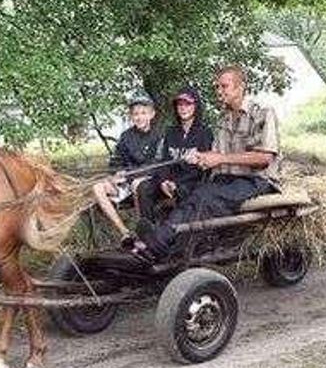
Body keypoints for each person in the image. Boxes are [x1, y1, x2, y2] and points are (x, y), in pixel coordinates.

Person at [137, 65, 281, 259]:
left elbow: (265, 158)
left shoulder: (263, 112)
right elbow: (217, 155)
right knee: (193, 193)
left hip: (258, 180)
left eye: (224, 86)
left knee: (207, 197)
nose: (219, 92)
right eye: (217, 87)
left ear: (241, 87)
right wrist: (202, 158)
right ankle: (167, 243)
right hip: (228, 178)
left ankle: (160, 241)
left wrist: (219, 159)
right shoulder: (223, 118)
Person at [92, 89, 163, 247]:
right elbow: (116, 160)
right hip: (127, 182)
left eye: (143, 113)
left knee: (138, 183)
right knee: (97, 187)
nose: (139, 117)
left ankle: (143, 235)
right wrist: (114, 174)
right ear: (131, 116)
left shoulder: (159, 135)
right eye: (136, 114)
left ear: (152, 114)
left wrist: (130, 175)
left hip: (148, 182)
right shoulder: (126, 136)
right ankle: (125, 232)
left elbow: (157, 164)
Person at [135, 86, 214, 223]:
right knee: (144, 188)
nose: (183, 108)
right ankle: (150, 229)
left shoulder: (205, 133)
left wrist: (177, 185)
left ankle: (175, 231)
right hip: (169, 181)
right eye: (180, 104)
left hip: (191, 183)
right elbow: (163, 162)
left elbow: (205, 169)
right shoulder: (170, 132)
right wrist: (164, 181)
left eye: (187, 104)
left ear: (196, 106)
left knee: (185, 192)